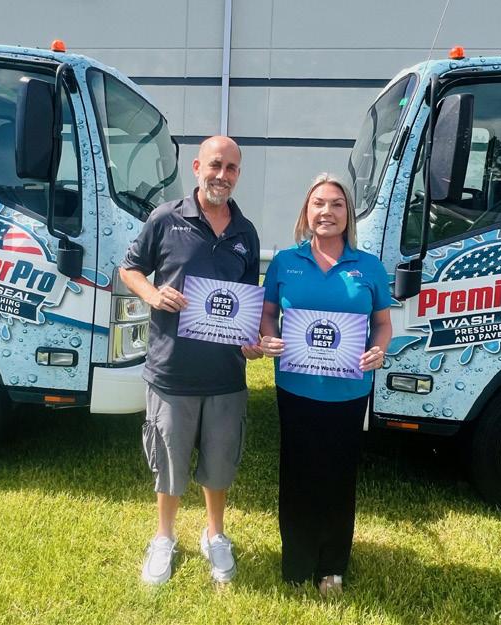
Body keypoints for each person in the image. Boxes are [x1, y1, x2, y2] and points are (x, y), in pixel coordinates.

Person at [119, 136, 263, 585]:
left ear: (238, 174)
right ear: (198, 167)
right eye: (215, 165)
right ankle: (164, 537)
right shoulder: (166, 218)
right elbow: (129, 269)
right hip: (172, 370)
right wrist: (152, 293)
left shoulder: (246, 233)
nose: (222, 175)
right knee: (169, 461)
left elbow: (248, 304)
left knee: (219, 463)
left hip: (225, 375)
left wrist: (251, 340)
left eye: (231, 168)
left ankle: (214, 534)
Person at [258, 173, 392, 595]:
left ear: (347, 214)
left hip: (349, 392)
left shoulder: (368, 266)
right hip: (296, 388)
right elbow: (267, 314)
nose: (327, 211)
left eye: (336, 204)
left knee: (338, 478)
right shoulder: (285, 262)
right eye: (319, 203)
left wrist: (379, 350)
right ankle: (297, 563)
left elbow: (382, 324)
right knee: (297, 476)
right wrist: (268, 338)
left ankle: (332, 566)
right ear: (306, 211)